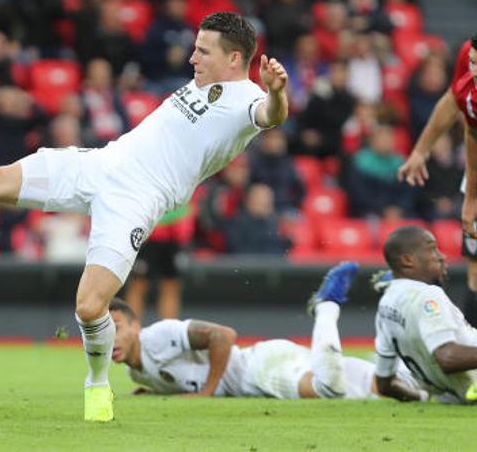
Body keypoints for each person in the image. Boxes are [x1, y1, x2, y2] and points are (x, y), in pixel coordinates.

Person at [0, 12, 290, 422]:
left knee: (89, 307)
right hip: (101, 163)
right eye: (195, 48)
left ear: (234, 59)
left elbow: (269, 115)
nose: (192, 58)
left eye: (203, 51)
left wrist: (276, 93)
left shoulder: (245, 102)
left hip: (137, 199)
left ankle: (97, 381)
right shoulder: (204, 81)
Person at [110, 263, 424, 401]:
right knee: (387, 389)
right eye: (100, 332)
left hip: (257, 369)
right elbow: (179, 376)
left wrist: (208, 391)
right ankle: (416, 364)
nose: (108, 338)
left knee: (329, 390)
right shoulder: (137, 373)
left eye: (117, 327)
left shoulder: (156, 336)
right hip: (270, 359)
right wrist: (156, 391)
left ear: (136, 325)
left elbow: (223, 335)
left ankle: (326, 306)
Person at [397, 34, 477, 325]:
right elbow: (464, 113)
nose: (474, 71)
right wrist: (421, 150)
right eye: (473, 63)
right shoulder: (469, 66)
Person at [372, 225, 477, 403]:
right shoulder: (428, 295)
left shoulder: (386, 304)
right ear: (407, 260)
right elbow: (447, 357)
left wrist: (421, 396)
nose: (442, 256)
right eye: (432, 249)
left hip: (453, 398)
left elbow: (384, 384)